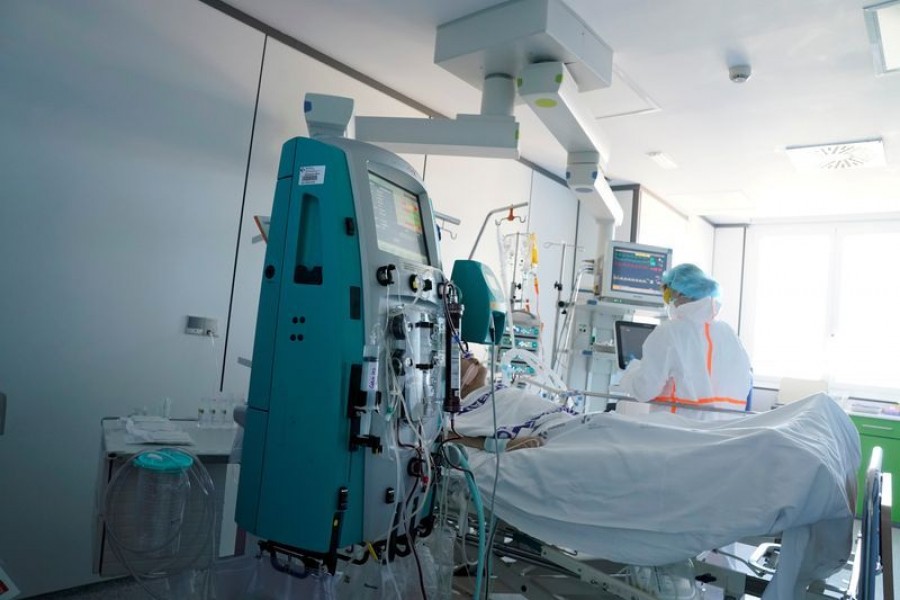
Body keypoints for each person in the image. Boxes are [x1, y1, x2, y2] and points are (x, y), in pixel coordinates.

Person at [616, 263, 752, 418]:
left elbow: (644, 390)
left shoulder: (669, 331)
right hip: (722, 433)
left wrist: (631, 371)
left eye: (667, 295)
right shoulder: (728, 333)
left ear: (680, 294)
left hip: (678, 430)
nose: (668, 302)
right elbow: (745, 383)